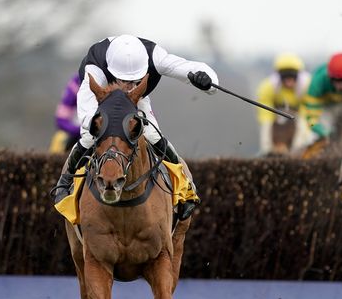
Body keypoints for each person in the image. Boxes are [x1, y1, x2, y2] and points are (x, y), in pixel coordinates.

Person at [50, 34, 219, 220]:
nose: (130, 86)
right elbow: (86, 117)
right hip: (103, 98)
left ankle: (184, 188)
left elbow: (191, 68)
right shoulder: (95, 67)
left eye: (135, 80)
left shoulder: (155, 57)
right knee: (90, 135)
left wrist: (207, 81)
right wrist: (103, 126)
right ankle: (65, 182)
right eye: (125, 80)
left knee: (153, 135)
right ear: (112, 72)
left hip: (136, 101)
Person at [256, 53, 311, 155]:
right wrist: (267, 125)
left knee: (302, 126)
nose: (289, 81)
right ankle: (267, 152)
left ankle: (297, 152)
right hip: (276, 114)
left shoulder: (307, 86)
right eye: (286, 77)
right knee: (266, 127)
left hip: (297, 115)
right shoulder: (268, 86)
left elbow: (307, 111)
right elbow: (265, 111)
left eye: (292, 77)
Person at [299, 52, 342, 146]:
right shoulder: (317, 82)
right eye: (336, 81)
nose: (340, 86)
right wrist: (322, 131)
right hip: (324, 107)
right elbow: (311, 119)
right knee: (324, 133)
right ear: (329, 77)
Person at [49, 73, 81, 154]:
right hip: (78, 132)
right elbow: (60, 120)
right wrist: (81, 130)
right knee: (60, 138)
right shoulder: (77, 81)